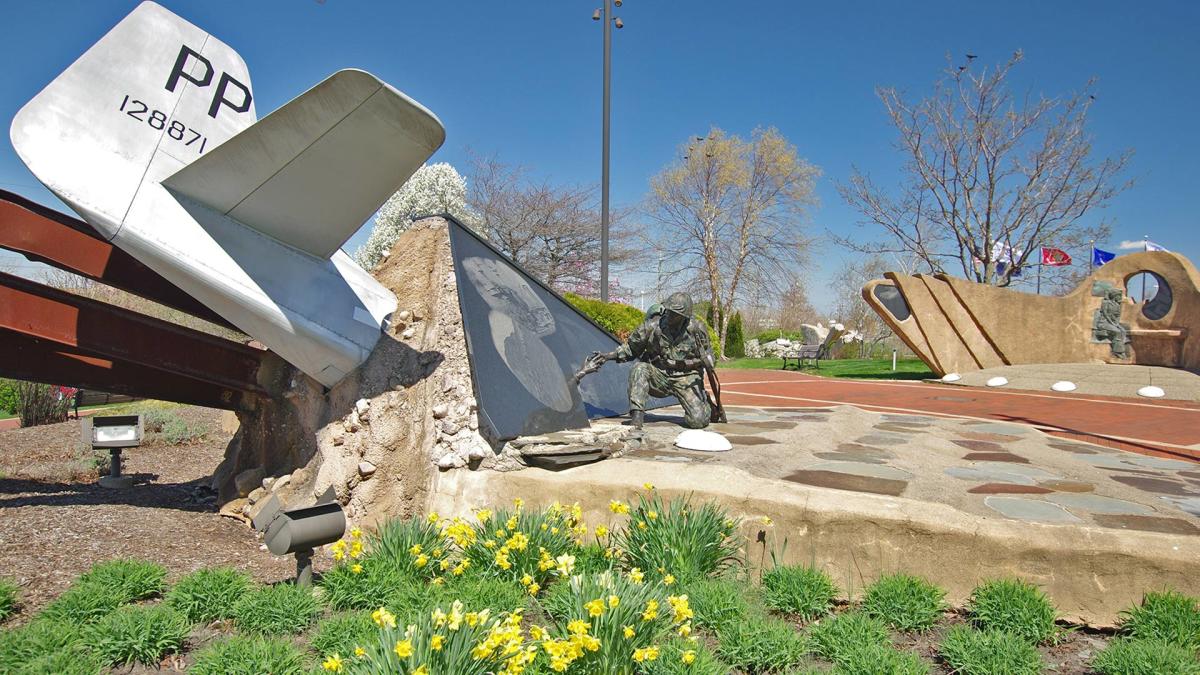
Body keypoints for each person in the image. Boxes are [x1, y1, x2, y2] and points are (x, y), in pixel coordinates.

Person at [588, 292, 714, 429]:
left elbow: (709, 357)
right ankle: (637, 417)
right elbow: (630, 349)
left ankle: (705, 403)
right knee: (639, 369)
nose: (670, 316)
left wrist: (692, 363)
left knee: (698, 422)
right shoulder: (652, 326)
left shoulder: (696, 329)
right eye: (669, 311)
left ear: (685, 317)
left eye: (675, 314)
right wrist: (607, 356)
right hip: (659, 375)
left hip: (687, 378)